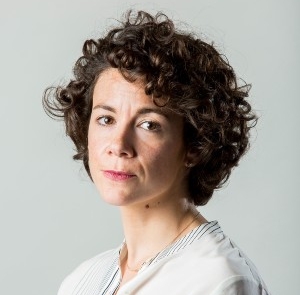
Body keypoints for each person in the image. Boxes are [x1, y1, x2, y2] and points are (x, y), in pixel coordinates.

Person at [43, 10, 271, 295]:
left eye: (148, 124)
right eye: (106, 119)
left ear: (194, 146)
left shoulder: (219, 281)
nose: (118, 145)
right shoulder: (82, 280)